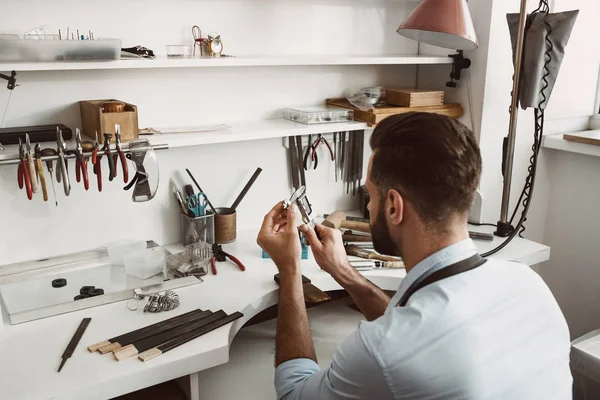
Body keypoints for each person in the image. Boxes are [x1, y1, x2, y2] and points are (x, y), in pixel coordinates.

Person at [257, 112, 572, 400]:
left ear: (394, 206)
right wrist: (344, 272)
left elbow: (293, 394)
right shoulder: (529, 284)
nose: (367, 207)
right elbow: (415, 332)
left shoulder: (383, 350)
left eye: (371, 195)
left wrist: (290, 268)